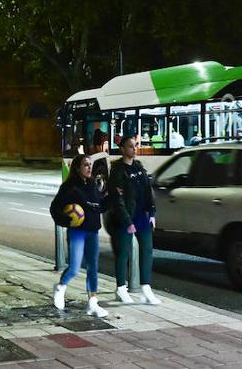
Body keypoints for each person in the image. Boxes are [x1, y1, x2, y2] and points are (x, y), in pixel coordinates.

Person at [106, 135, 162, 305]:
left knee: (147, 250)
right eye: (130, 146)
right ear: (122, 149)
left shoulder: (139, 167)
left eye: (135, 145)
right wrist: (127, 222)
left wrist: (152, 213)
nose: (134, 149)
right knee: (123, 253)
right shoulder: (117, 171)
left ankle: (146, 288)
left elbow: (147, 191)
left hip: (141, 217)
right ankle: (121, 288)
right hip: (124, 219)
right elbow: (117, 200)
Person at [49, 155, 107, 317]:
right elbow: (55, 208)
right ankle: (61, 287)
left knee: (93, 267)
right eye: (86, 165)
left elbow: (100, 206)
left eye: (90, 165)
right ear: (77, 168)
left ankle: (92, 302)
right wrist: (66, 220)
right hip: (77, 231)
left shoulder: (92, 185)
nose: (89, 168)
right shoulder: (69, 187)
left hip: (92, 231)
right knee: (74, 268)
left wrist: (114, 196)